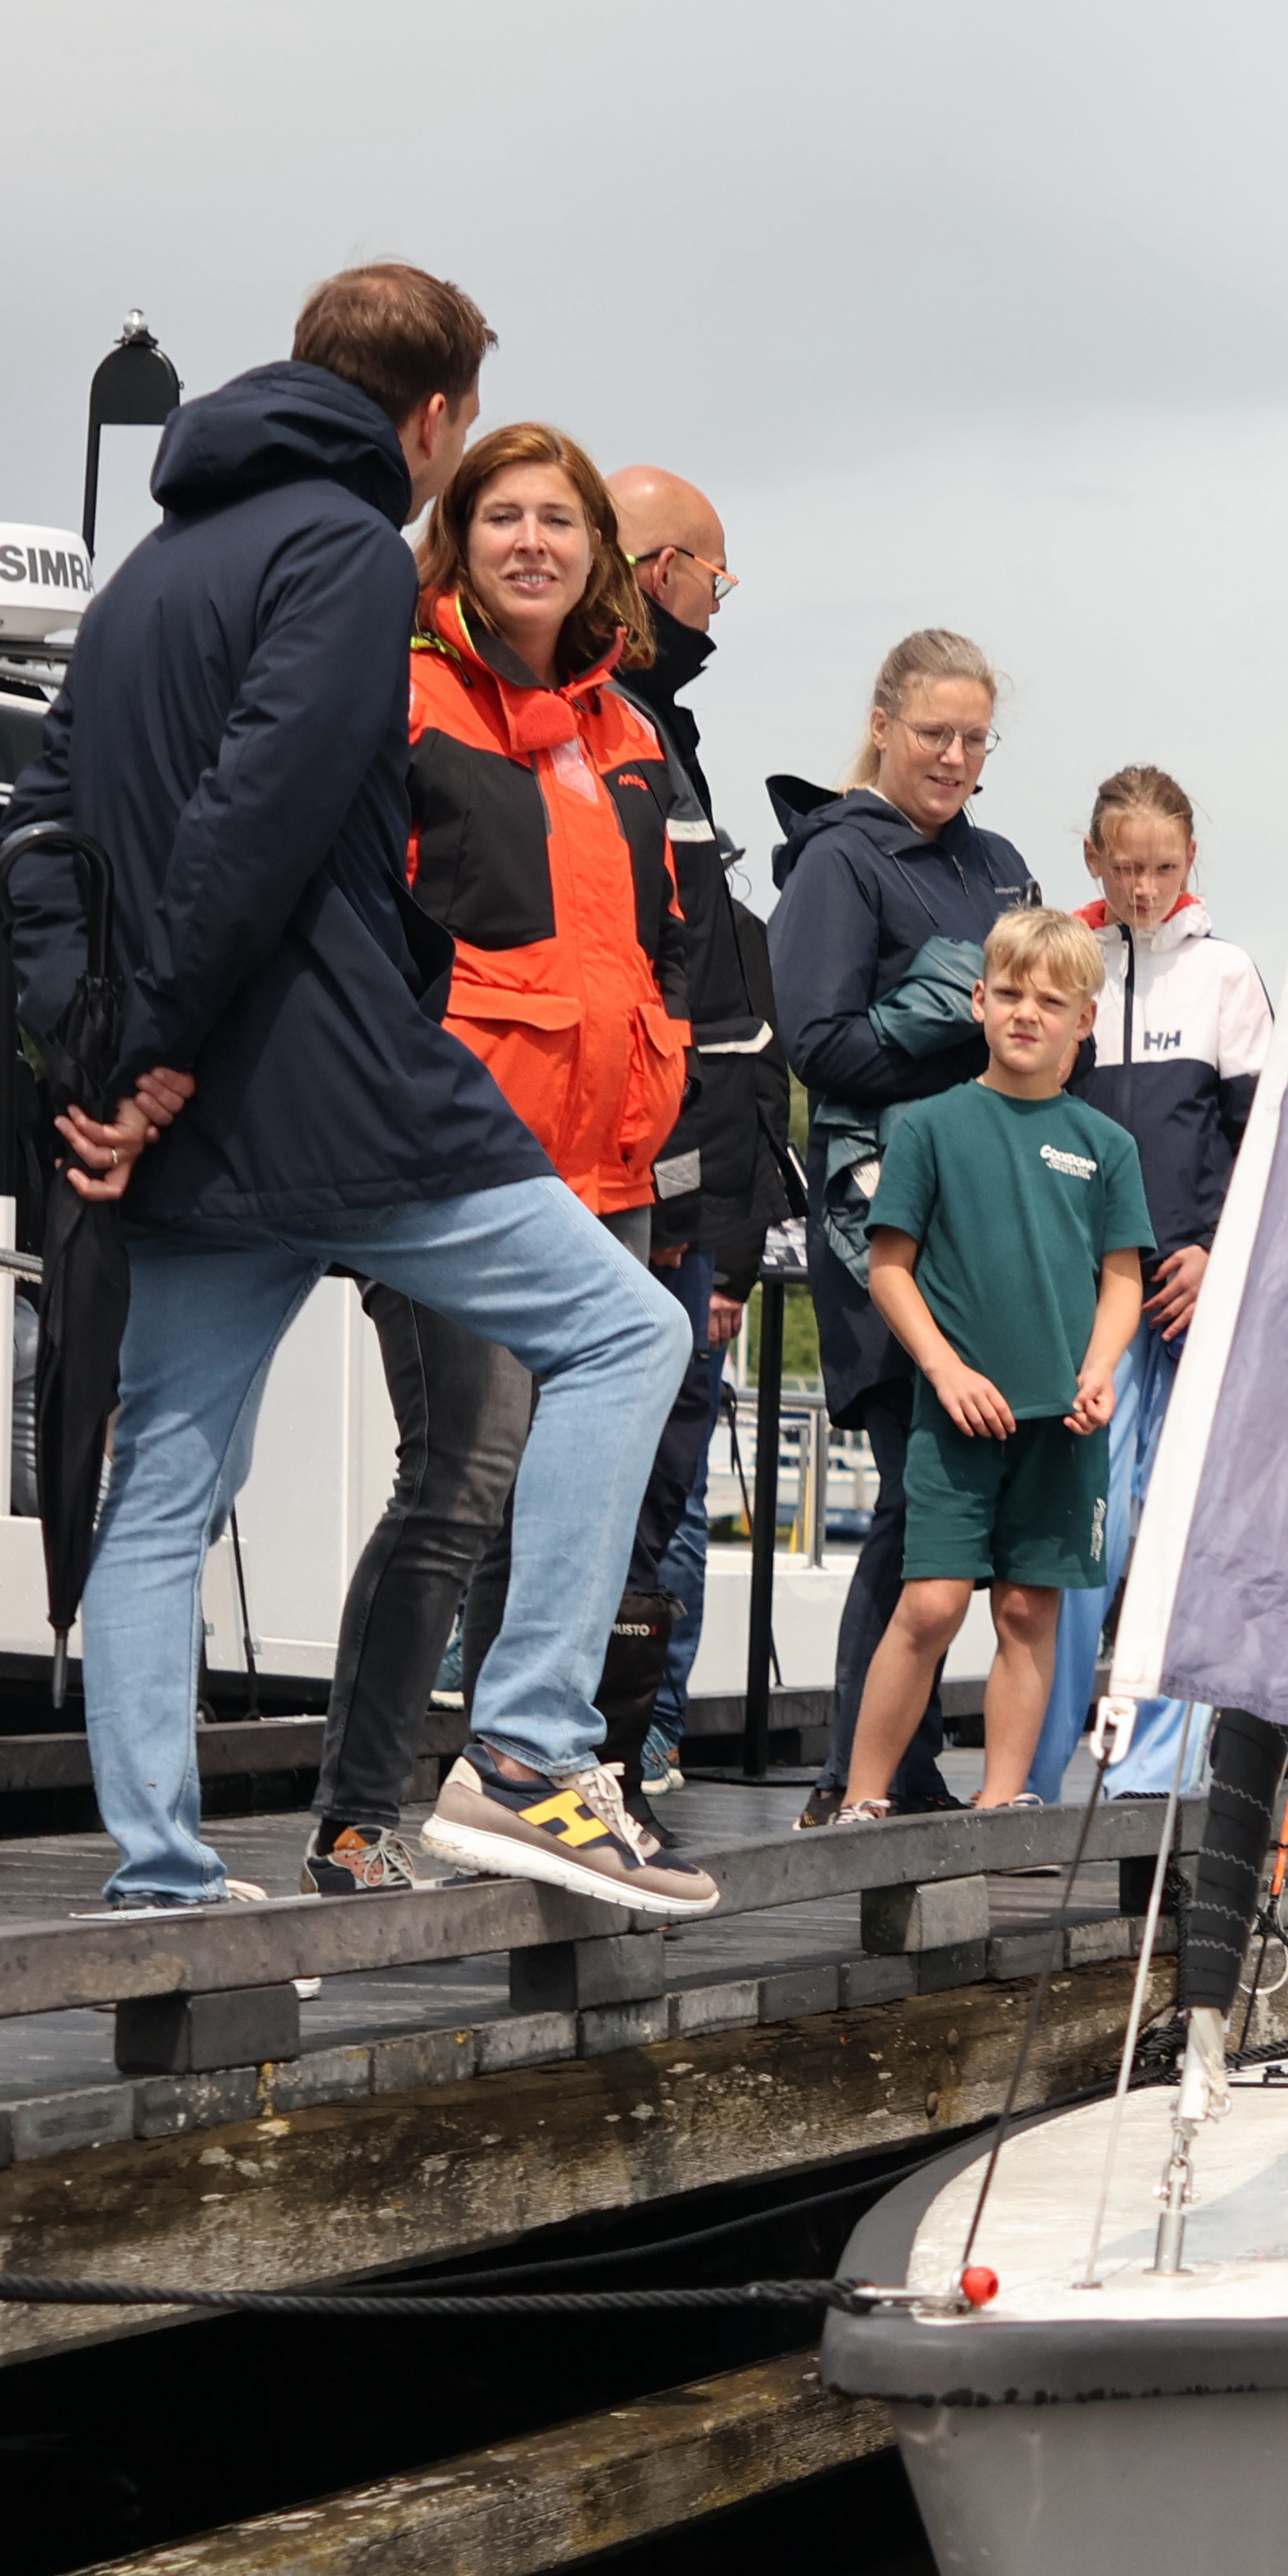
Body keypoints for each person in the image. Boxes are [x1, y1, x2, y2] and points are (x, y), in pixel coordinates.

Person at [4, 264, 708, 1917]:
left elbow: (39, 825)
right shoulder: (337, 552)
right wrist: (164, 1043)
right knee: (630, 1333)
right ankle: (531, 1752)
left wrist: (93, 1058)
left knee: (166, 1476)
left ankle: (162, 1874)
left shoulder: (145, 577)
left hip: (184, 1124)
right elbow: (259, 813)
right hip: (323, 1085)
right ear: (438, 415)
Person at [298, 422, 710, 1896]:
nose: (532, 542)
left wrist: (662, 1182)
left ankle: (530, 1783)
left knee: (565, 1479)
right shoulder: (403, 700)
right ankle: (362, 1814)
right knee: (462, 1474)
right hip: (453, 1160)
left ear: (599, 551)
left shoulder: (634, 735)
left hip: (599, 1174)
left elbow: (665, 970)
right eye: (501, 518)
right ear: (457, 541)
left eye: (559, 520)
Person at [768, 631, 1037, 1822]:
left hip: (993, 1219)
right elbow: (818, 1047)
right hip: (877, 1218)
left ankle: (896, 1766)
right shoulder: (838, 863)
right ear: (883, 724)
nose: (956, 756)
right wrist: (956, 1007)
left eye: (976, 739)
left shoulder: (1001, 864)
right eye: (935, 732)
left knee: (953, 1502)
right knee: (911, 1496)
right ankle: (857, 1775)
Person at [833, 906, 1148, 1819]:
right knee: (930, 1604)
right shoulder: (928, 1126)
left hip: (1065, 1424)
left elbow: (1122, 1282)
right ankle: (861, 1799)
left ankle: (1001, 1800)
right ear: (977, 1000)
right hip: (957, 1418)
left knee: (1026, 1612)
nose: (1026, 1013)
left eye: (1051, 1000)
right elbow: (889, 1270)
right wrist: (946, 1371)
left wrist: (1099, 1372)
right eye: (1008, 992)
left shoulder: (1108, 1146)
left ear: (1083, 1021)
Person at [602, 468, 795, 1790]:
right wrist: (706, 1222)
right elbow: (669, 1004)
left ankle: (614, 1753)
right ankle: (602, 1753)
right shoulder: (620, 724)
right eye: (715, 578)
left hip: (675, 1206)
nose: (717, 602)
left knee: (652, 1492)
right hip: (637, 1197)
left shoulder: (661, 724)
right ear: (663, 565)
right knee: (627, 1492)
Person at [1025, 766, 1271, 1802]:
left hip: (1195, 1294)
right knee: (1088, 1528)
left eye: (1163, 868)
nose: (1143, 887)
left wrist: (1214, 1252)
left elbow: (1264, 1142)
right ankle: (1031, 1770)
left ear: (1191, 863)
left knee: (1177, 1532)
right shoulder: (1067, 975)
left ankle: (1153, 1776)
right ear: (1093, 859)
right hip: (1096, 1295)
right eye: (1126, 867)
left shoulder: (1226, 976)